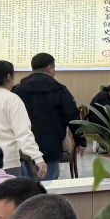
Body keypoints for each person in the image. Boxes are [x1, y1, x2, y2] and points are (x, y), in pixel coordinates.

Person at [0, 61, 47, 179]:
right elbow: (23, 132)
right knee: (10, 191)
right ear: (9, 76)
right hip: (7, 161)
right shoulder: (12, 99)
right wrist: (37, 157)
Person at [12, 53, 83, 181]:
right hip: (51, 145)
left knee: (26, 185)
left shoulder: (17, 90)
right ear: (49, 68)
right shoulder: (59, 90)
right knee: (48, 185)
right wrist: (80, 141)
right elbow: (72, 117)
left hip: (24, 147)